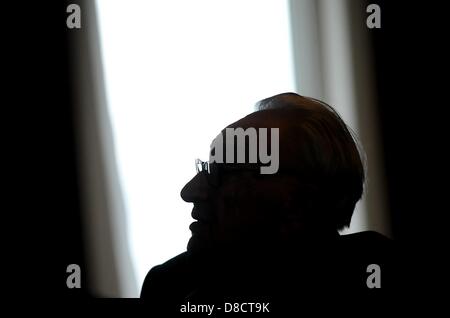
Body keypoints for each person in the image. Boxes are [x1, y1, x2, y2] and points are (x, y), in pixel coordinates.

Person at [141, 93, 397, 313]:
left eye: (223, 172)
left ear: (300, 198)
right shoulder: (169, 286)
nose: (190, 191)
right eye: (207, 169)